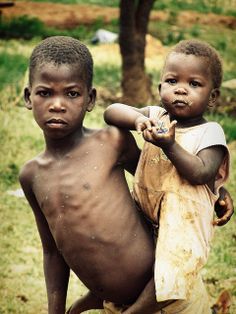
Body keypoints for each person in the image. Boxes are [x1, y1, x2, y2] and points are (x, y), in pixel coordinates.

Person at [19, 36, 233, 314]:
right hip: (113, 304)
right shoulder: (31, 175)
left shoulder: (112, 143)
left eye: (71, 93)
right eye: (45, 92)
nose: (57, 104)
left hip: (170, 299)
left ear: (90, 99)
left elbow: (166, 177)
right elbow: (52, 252)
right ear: (27, 97)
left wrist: (213, 190)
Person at [104, 39, 231, 313]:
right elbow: (110, 112)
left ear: (212, 96)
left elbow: (201, 173)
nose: (181, 89)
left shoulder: (210, 133)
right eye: (172, 81)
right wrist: (137, 120)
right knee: (121, 256)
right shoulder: (156, 116)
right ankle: (101, 294)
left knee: (171, 269)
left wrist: (169, 145)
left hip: (183, 224)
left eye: (195, 84)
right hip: (149, 213)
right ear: (160, 86)